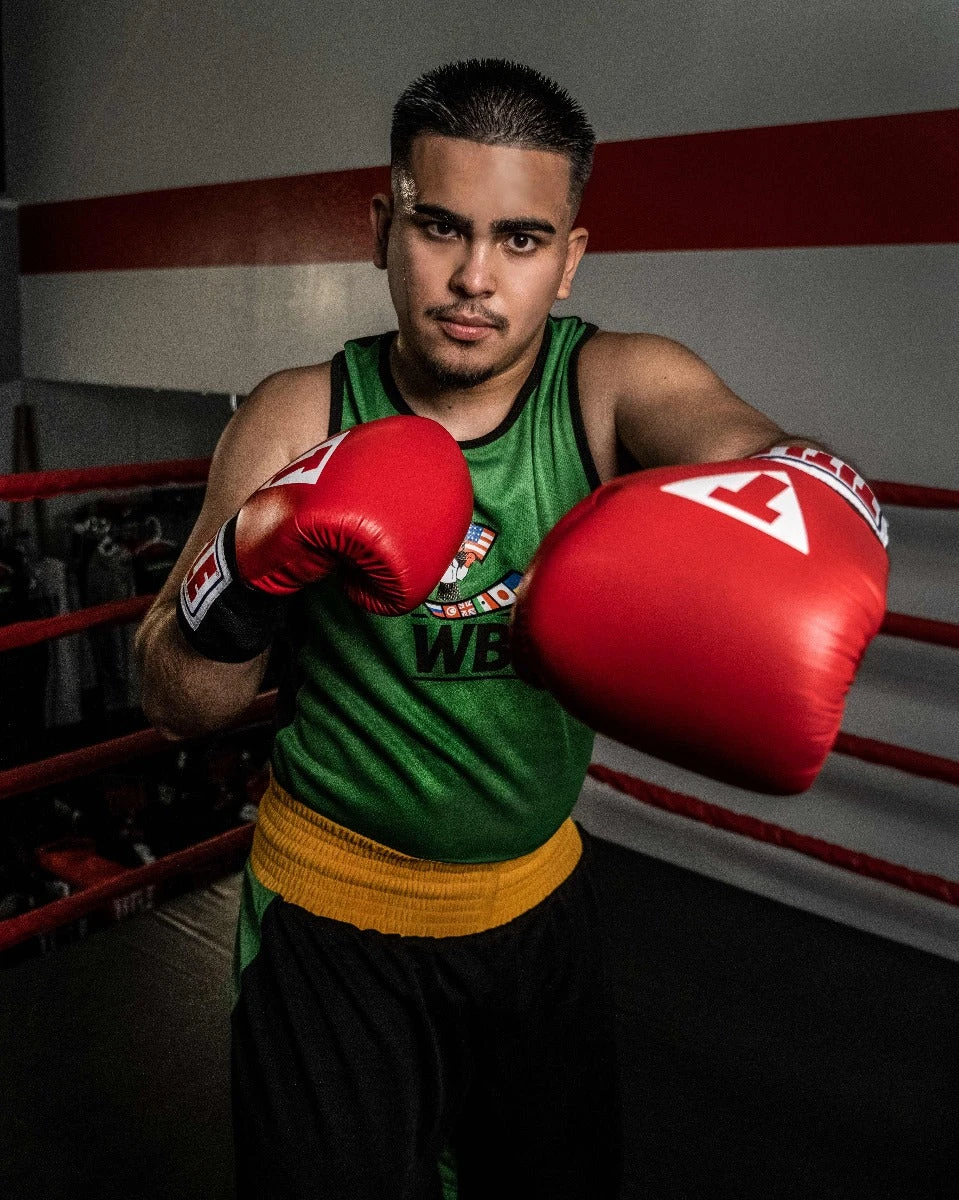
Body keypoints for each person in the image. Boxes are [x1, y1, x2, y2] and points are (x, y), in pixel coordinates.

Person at [136, 59, 887, 1200]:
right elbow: (174, 701)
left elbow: (769, 463)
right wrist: (245, 569)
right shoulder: (300, 414)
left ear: (569, 257)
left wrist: (802, 498)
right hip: (328, 920)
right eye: (440, 226)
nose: (473, 278)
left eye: (520, 240)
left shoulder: (611, 387)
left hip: (536, 911)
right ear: (381, 229)